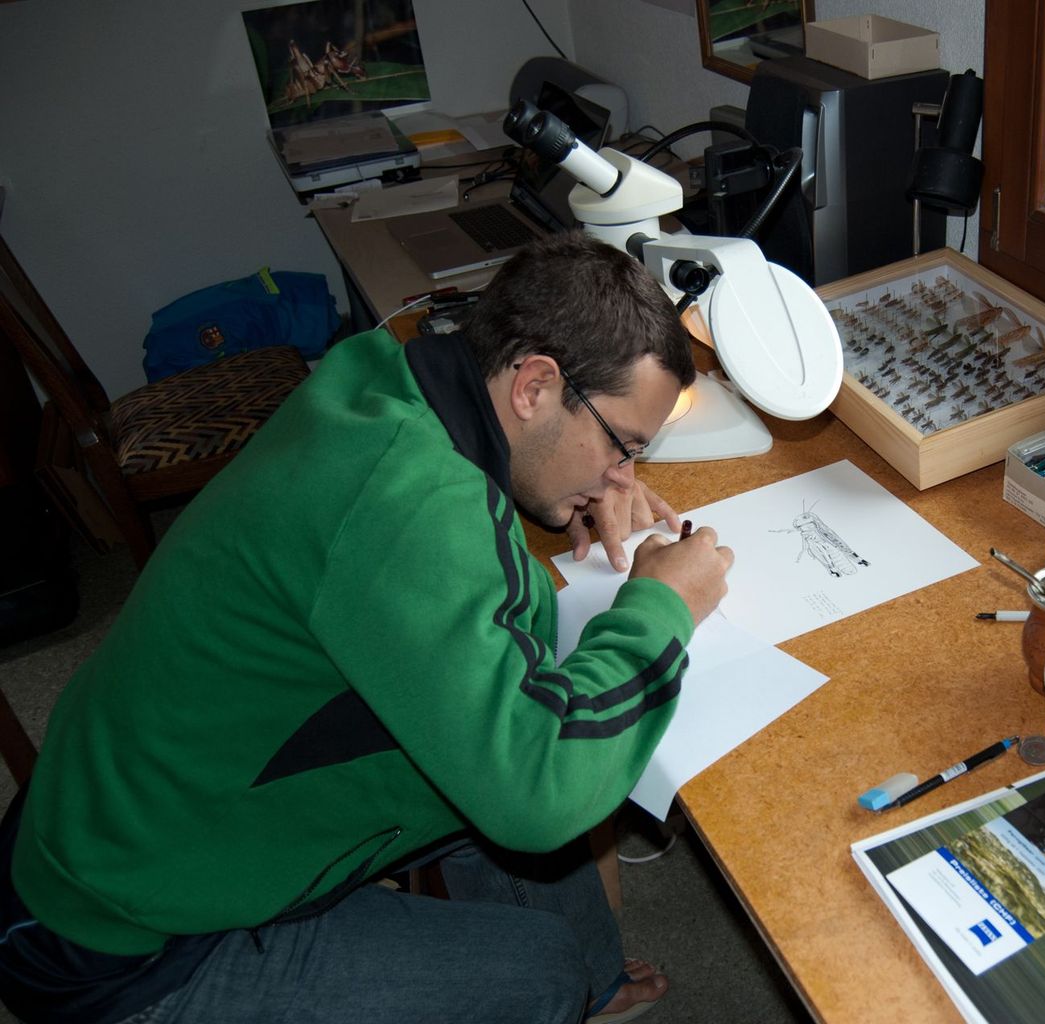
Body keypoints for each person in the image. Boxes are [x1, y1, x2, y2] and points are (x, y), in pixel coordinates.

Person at [0, 232, 734, 1024]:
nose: (622, 477)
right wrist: (660, 607)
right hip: (121, 942)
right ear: (534, 386)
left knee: (501, 735)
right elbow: (542, 795)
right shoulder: (407, 506)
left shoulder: (384, 379)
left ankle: (596, 980)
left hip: (133, 808)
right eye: (622, 446)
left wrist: (569, 480)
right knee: (538, 970)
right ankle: (573, 983)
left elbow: (446, 565)